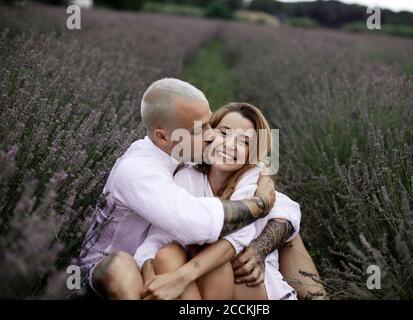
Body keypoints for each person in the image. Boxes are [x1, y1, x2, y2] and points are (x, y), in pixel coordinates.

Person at [78, 79, 276, 299]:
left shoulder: (186, 157)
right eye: (200, 129)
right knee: (123, 265)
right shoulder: (138, 169)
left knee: (204, 258)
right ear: (163, 137)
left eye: (210, 124)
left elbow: (284, 207)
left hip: (151, 259)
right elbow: (196, 223)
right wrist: (260, 205)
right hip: (100, 270)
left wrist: (268, 231)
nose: (211, 135)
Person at [135, 103, 326, 300]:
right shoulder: (188, 178)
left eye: (244, 142)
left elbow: (248, 231)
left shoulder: (254, 180)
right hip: (207, 287)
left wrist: (181, 277)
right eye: (224, 133)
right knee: (168, 253)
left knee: (218, 247)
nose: (230, 145)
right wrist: (149, 269)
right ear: (209, 135)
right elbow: (159, 235)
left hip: (253, 288)